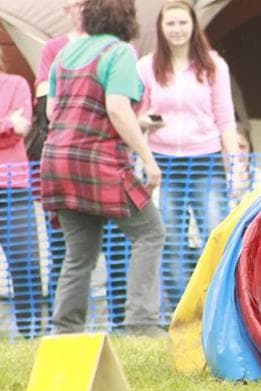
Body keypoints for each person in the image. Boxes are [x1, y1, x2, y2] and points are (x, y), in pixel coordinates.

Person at [40, 0, 166, 337]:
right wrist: (149, 160)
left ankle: (65, 331)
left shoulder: (64, 54)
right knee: (150, 232)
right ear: (125, 16)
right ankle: (142, 324)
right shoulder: (119, 52)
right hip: (98, 162)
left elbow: (54, 112)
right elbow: (117, 109)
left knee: (79, 252)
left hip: (57, 161)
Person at [137, 0, 242, 313]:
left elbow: (225, 118)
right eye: (170, 24)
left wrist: (235, 166)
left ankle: (217, 305)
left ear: (194, 26)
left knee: (214, 233)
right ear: (161, 28)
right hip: (163, 162)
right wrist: (146, 121)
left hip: (205, 161)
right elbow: (136, 113)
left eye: (183, 23)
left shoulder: (213, 65)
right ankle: (181, 311)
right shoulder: (146, 66)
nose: (177, 30)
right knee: (171, 242)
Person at [32, 0, 131, 331]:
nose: (72, 10)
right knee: (73, 254)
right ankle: (69, 328)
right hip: (86, 163)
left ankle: (112, 325)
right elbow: (48, 106)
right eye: (69, 6)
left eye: (78, 4)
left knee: (108, 254)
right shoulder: (55, 49)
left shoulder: (112, 49)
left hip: (78, 160)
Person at [0, 48, 43, 338]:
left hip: (13, 186)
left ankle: (31, 332)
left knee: (25, 262)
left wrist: (13, 128)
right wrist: (6, 124)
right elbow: (13, 127)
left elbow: (23, 128)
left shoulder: (16, 83)